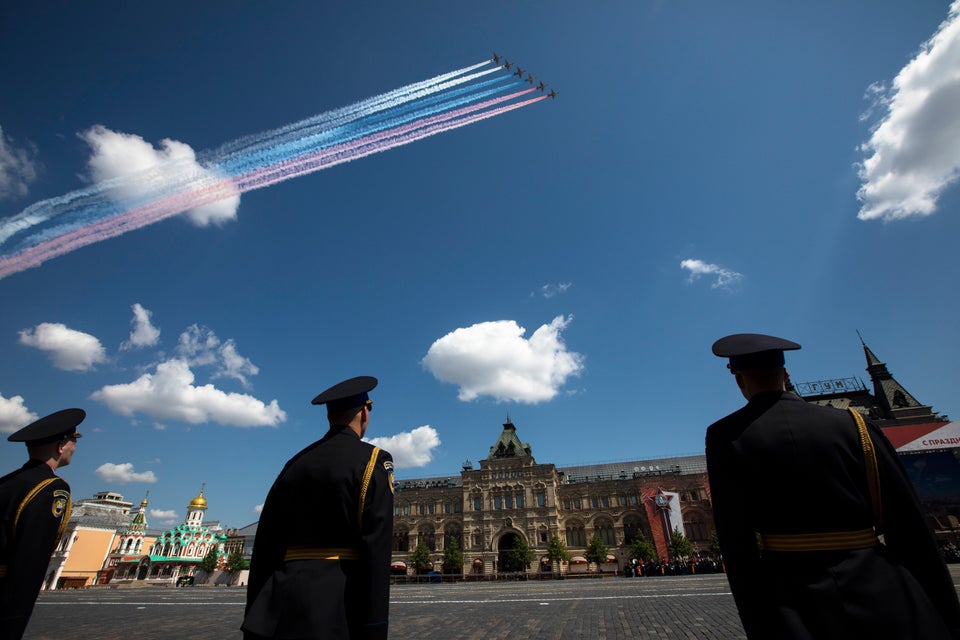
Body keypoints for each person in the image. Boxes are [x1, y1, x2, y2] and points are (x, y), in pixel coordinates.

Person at [705, 333, 960, 640]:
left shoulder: (725, 436)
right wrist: (944, 614)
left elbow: (736, 542)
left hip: (791, 596)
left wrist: (759, 622)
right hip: (879, 587)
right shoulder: (855, 423)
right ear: (786, 375)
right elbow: (909, 523)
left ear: (740, 381)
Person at [243, 376, 394, 640]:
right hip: (338, 609)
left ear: (330, 417)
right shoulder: (373, 461)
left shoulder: (295, 463)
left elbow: (265, 546)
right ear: (364, 413)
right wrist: (374, 627)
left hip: (278, 609)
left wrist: (256, 614)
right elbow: (376, 548)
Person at [0, 408, 84, 640]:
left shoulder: (7, 483)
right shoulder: (51, 489)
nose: (74, 448)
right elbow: (30, 557)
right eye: (73, 442)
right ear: (61, 446)